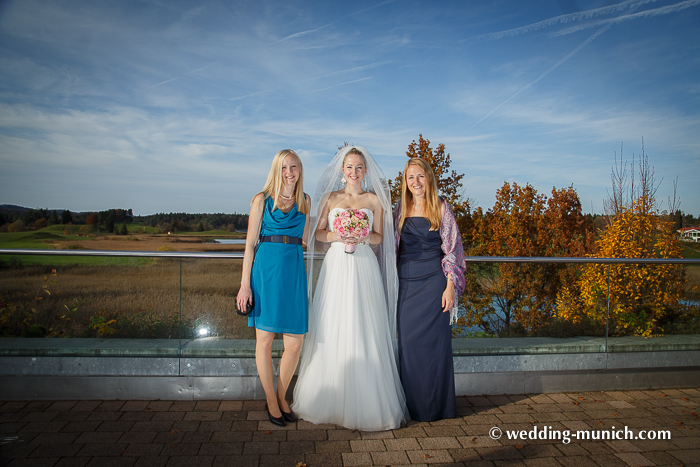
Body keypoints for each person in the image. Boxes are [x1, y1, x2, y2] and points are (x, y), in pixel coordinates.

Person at [290, 146, 407, 431]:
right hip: (337, 266)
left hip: (364, 265)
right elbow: (316, 234)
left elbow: (380, 237)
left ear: (365, 171)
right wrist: (337, 234)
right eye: (349, 167)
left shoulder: (375, 200)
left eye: (359, 167)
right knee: (333, 323)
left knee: (364, 325)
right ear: (342, 170)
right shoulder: (330, 199)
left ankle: (369, 402)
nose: (354, 172)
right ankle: (327, 399)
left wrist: (364, 234)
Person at [237, 149, 310, 427]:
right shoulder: (261, 200)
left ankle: (281, 396)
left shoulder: (305, 201)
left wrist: (345, 236)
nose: (289, 172)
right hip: (265, 273)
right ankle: (270, 399)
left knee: (295, 343)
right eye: (283, 167)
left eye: (293, 166)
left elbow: (308, 239)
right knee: (265, 341)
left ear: (300, 170)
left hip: (293, 273)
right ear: (275, 170)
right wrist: (245, 285)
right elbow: (249, 245)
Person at [394, 157, 466, 422]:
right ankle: (411, 408)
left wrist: (450, 287)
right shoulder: (400, 208)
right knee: (409, 346)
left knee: (436, 347)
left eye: (420, 176)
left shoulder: (441, 207)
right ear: (406, 182)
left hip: (435, 284)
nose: (416, 182)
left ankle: (437, 408)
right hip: (406, 285)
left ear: (429, 178)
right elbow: (390, 250)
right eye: (411, 177)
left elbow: (453, 249)